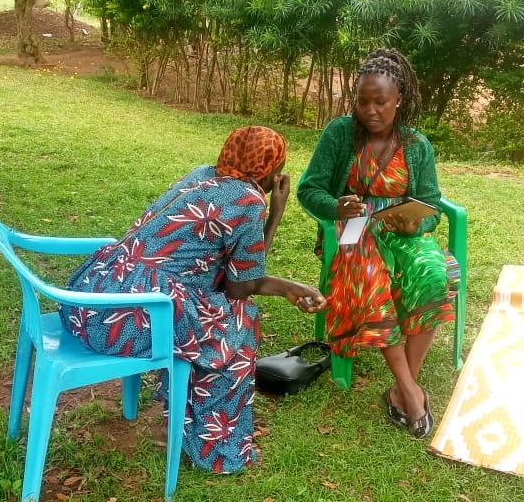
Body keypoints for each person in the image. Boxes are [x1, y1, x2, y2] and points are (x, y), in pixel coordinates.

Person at [59, 126, 327, 473]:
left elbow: (233, 272)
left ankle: (185, 405)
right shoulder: (247, 202)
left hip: (89, 298)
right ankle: (216, 446)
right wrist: (275, 214)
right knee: (238, 322)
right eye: (279, 167)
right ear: (269, 170)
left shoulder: (201, 173)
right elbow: (241, 287)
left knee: (214, 310)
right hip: (125, 318)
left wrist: (284, 284)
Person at [296, 48, 455, 439]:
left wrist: (415, 222)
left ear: (398, 99)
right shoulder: (339, 133)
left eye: (380, 102)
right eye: (363, 101)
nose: (370, 110)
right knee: (369, 278)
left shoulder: (416, 144)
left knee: (433, 273)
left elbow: (432, 204)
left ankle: (402, 388)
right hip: (352, 231)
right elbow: (308, 189)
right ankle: (411, 394)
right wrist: (336, 205)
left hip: (402, 232)